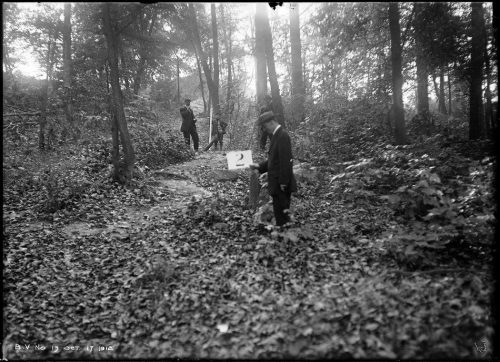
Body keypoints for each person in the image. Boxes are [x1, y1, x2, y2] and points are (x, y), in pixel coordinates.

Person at [250, 111, 297, 227]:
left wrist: (283, 182)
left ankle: (284, 237)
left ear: (271, 123)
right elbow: (274, 160)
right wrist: (259, 166)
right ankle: (283, 236)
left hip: (281, 184)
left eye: (265, 127)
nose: (265, 130)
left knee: (282, 214)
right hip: (277, 183)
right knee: (279, 212)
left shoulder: (282, 136)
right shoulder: (276, 136)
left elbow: (286, 160)